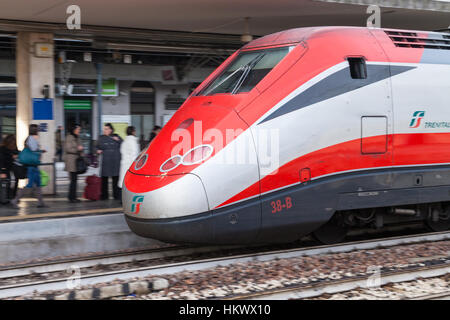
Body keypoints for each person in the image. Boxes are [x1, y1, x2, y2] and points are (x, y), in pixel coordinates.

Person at [11, 124, 46, 208]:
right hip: (31, 166)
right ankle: (15, 200)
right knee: (29, 185)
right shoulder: (31, 139)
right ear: (35, 130)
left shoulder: (31, 138)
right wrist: (40, 150)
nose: (38, 130)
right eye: (37, 129)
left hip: (34, 165)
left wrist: (40, 149)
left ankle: (41, 203)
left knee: (38, 183)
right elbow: (34, 150)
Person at [97, 123, 122, 200]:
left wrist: (119, 140)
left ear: (111, 130)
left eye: (107, 129)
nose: (105, 130)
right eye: (104, 129)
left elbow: (124, 145)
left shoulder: (116, 136)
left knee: (115, 178)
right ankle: (104, 195)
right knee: (104, 179)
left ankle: (116, 195)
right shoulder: (101, 138)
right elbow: (95, 146)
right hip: (106, 161)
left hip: (115, 160)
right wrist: (97, 150)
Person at [118, 126, 140, 201]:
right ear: (133, 132)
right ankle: (128, 199)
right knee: (130, 183)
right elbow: (134, 154)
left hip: (124, 163)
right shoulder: (133, 141)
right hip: (130, 164)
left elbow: (121, 151)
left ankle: (122, 199)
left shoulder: (124, 141)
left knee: (123, 182)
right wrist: (135, 166)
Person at [64, 124, 84, 203]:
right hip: (71, 161)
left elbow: (80, 146)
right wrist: (77, 148)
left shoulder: (77, 137)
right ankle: (72, 197)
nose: (79, 131)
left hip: (76, 160)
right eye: (78, 129)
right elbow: (68, 148)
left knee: (74, 180)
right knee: (73, 180)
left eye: (80, 129)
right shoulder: (69, 137)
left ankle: (72, 196)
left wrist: (81, 150)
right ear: (74, 129)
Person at [0, 134, 19, 202]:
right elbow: (1, 160)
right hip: (5, 167)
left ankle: (13, 196)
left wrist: (17, 155)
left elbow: (17, 152)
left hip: (13, 166)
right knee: (6, 182)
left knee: (16, 180)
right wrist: (2, 171)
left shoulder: (14, 147)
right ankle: (5, 197)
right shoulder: (2, 148)